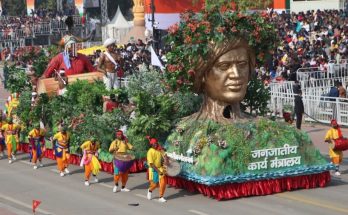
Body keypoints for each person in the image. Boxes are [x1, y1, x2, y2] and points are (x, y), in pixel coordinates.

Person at [146, 137, 167, 203]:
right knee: (155, 184)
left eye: (156, 143)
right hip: (153, 169)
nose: (155, 145)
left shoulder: (159, 149)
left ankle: (161, 197)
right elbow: (151, 164)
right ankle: (150, 190)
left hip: (160, 167)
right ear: (151, 144)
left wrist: (166, 158)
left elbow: (165, 156)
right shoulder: (150, 151)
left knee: (163, 182)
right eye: (154, 144)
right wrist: (158, 172)